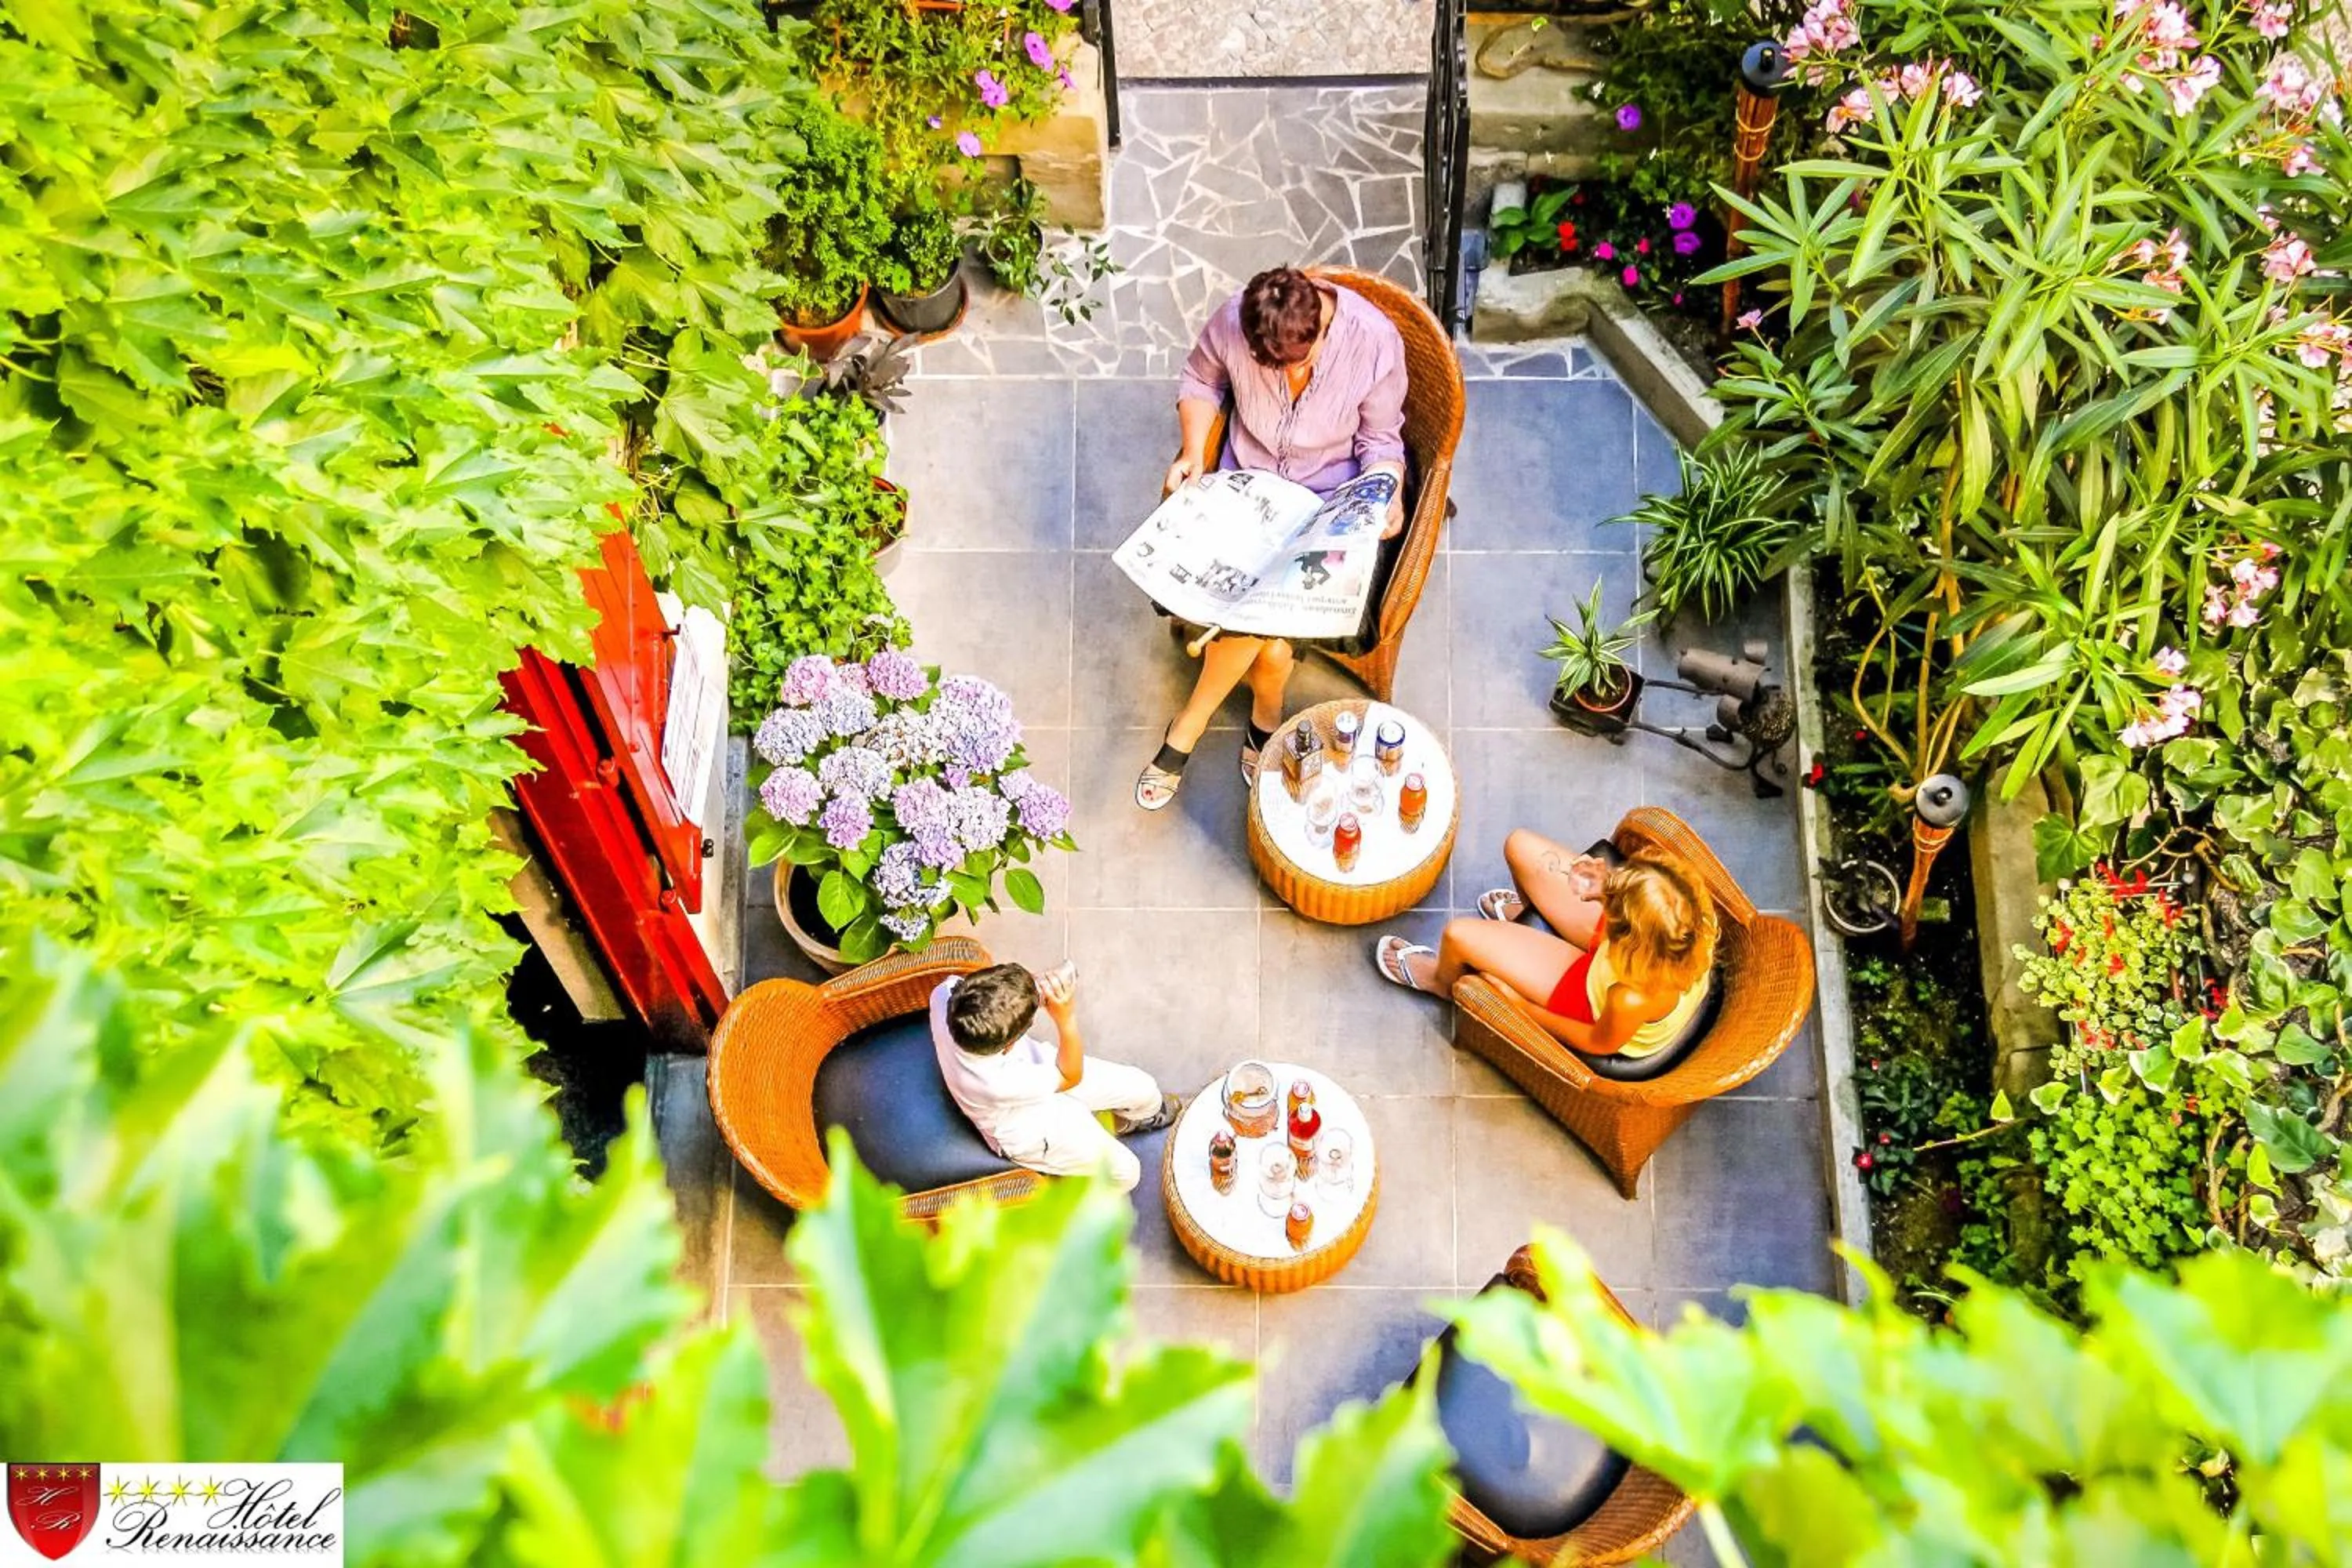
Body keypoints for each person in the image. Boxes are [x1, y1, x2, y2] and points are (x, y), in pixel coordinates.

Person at [1135, 265, 1410, 811]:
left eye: (1297, 365)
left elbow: (1381, 440)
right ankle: (1267, 712)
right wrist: (1194, 449)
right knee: (1274, 642)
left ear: (1321, 331)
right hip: (1249, 491)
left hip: (1325, 504)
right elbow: (1201, 379)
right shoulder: (1235, 320)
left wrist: (1392, 492)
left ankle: (1188, 727)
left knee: (1259, 623)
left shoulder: (1374, 342)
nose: (1283, 378)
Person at [1370, 831, 1719, 1062]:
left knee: (1457, 936)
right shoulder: (1688, 917)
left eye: (1612, 902)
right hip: (1621, 957)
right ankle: (1525, 916)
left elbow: (1599, 1042)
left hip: (1592, 996)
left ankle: (1440, 982)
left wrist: (1521, 1007)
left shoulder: (1630, 998)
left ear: (1624, 937)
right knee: (1518, 845)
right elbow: (1636, 909)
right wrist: (1605, 888)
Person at [929, 961, 1179, 1192]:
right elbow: (1070, 1075)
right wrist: (1066, 1018)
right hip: (1030, 1128)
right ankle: (1066, 1183)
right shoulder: (996, 1082)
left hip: (1038, 1069)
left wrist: (1025, 990)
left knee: (1143, 1087)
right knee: (1127, 1172)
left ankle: (1121, 1122)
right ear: (1009, 1045)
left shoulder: (945, 993)